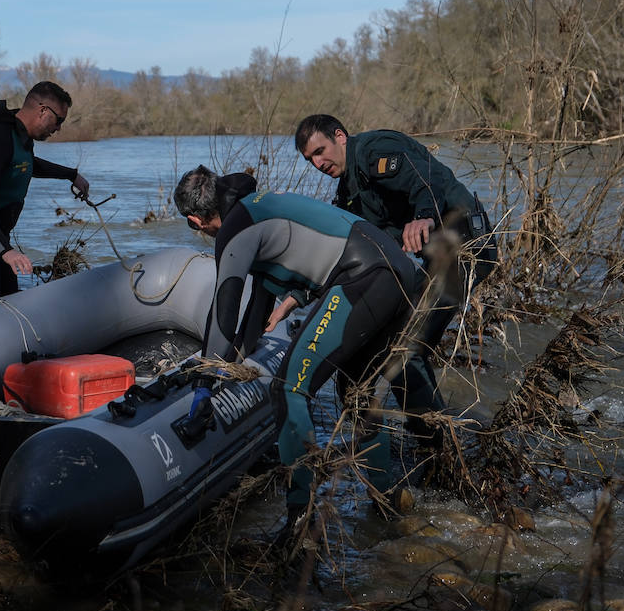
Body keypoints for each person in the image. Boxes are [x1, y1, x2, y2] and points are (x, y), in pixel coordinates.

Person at [173, 166, 442, 527]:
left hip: (364, 275)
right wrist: (232, 365)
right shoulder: (255, 207)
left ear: (196, 219)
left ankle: (300, 519)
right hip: (397, 270)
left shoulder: (236, 229)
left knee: (289, 389)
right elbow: (255, 314)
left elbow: (223, 314)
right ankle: (386, 500)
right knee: (357, 391)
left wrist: (203, 388)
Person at [294, 114, 497, 361]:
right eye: (310, 159)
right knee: (385, 336)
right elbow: (349, 249)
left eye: (320, 151)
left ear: (340, 136)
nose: (318, 163)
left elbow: (424, 178)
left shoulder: (376, 150)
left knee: (409, 348)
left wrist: (425, 216)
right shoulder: (348, 191)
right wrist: (299, 296)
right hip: (436, 258)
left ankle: (422, 391)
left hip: (467, 246)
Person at [0, 81, 91, 307]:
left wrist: (71, 175)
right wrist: (6, 252)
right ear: (43, 110)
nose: (59, 128)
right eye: (59, 120)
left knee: (10, 302)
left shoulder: (19, 137)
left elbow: (28, 164)